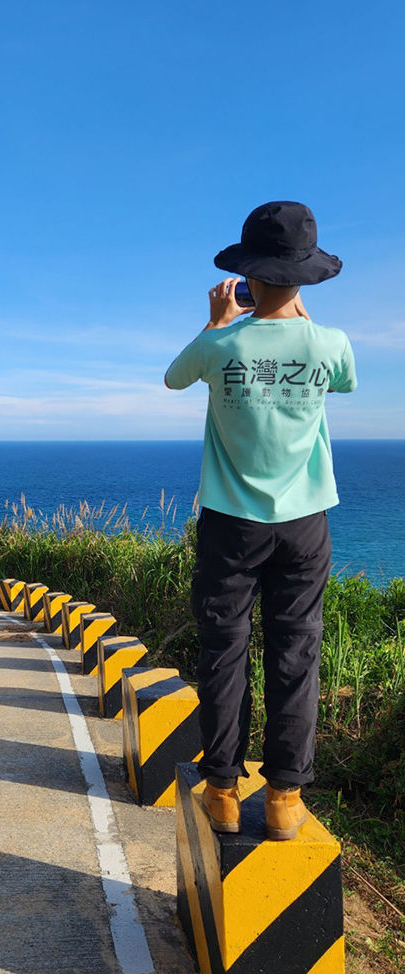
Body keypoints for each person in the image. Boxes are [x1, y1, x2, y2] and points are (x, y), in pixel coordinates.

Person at [164, 201, 357, 840]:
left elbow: (173, 379)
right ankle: (284, 799)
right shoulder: (330, 344)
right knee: (296, 653)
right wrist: (299, 318)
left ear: (248, 274)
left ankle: (221, 789)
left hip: (228, 525)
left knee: (224, 651)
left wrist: (218, 324)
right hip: (304, 524)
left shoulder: (221, 344)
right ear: (305, 276)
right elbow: (345, 383)